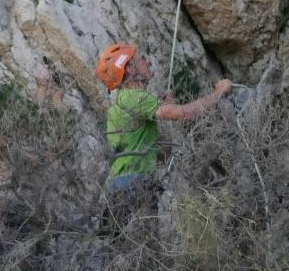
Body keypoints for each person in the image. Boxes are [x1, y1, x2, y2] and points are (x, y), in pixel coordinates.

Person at [94, 42, 232, 195]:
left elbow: (160, 151)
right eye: (142, 59)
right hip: (133, 186)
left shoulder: (123, 103)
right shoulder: (134, 98)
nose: (149, 62)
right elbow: (186, 114)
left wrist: (166, 107)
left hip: (124, 188)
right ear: (130, 69)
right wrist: (219, 93)